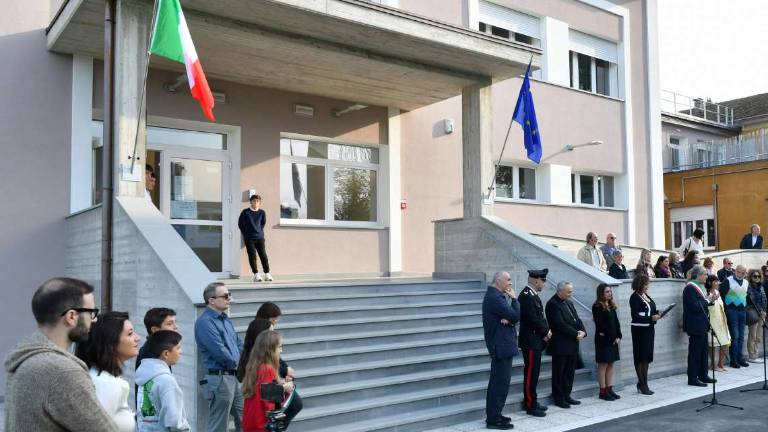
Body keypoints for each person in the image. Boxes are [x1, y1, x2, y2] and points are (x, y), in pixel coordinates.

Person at [4, 277, 118, 432]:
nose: (95, 319)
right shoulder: (61, 370)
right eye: (91, 312)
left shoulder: (25, 356)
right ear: (71, 316)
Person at [75, 311, 140, 432]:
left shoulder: (101, 378)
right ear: (111, 343)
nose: (137, 338)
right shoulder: (105, 383)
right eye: (130, 334)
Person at [195, 282, 244, 432]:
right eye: (225, 296)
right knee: (219, 426)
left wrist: (241, 362)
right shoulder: (204, 323)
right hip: (220, 380)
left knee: (244, 419)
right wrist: (237, 363)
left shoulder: (225, 319)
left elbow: (238, 344)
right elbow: (219, 351)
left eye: (229, 295)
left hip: (233, 377)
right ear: (211, 300)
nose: (229, 298)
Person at [481, 271, 520, 429]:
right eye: (508, 280)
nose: (510, 283)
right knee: (499, 383)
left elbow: (511, 317)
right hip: (500, 346)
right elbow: (515, 316)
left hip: (503, 345)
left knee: (501, 383)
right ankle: (493, 419)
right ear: (498, 281)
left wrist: (509, 319)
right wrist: (515, 300)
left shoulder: (497, 297)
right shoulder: (495, 298)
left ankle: (496, 414)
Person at [135, 330, 191, 431]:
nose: (181, 351)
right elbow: (174, 422)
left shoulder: (144, 376)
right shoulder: (167, 381)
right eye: (178, 348)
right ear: (166, 354)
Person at [242, 331, 295, 432]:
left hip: (250, 420)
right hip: (262, 423)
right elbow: (269, 403)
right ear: (270, 349)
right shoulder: (267, 368)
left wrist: (280, 385)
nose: (281, 350)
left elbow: (261, 391)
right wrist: (284, 388)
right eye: (279, 347)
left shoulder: (255, 365)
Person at [545, 281, 586, 409]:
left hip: (572, 344)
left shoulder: (569, 302)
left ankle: (567, 395)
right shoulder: (552, 304)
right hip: (560, 345)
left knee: (569, 372)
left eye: (571, 291)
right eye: (568, 292)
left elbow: (577, 319)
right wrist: (575, 333)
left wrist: (583, 331)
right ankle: (559, 398)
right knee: (559, 373)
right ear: (560, 291)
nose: (571, 294)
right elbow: (559, 324)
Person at [517, 269, 551, 417]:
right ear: (536, 280)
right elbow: (532, 319)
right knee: (531, 374)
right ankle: (530, 404)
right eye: (543, 281)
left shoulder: (532, 295)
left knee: (534, 373)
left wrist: (544, 332)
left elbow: (539, 317)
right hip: (530, 341)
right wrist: (546, 332)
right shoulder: (526, 296)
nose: (544, 284)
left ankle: (532, 400)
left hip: (535, 340)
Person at [683, 266, 720, 386]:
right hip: (695, 325)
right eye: (704, 274)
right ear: (698, 275)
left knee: (703, 351)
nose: (706, 276)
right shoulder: (690, 288)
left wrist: (711, 300)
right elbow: (694, 306)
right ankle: (692, 378)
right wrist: (707, 300)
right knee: (695, 353)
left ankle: (703, 375)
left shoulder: (699, 287)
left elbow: (703, 304)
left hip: (702, 324)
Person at [629, 274, 663, 395]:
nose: (647, 286)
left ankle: (643, 382)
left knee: (647, 357)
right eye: (646, 283)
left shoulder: (645, 295)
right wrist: (651, 317)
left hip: (648, 329)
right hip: (639, 331)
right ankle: (642, 384)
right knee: (640, 357)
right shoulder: (634, 297)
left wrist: (658, 312)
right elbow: (636, 315)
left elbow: (650, 309)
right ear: (640, 284)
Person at [592, 284, 622, 401]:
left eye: (610, 291)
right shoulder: (597, 306)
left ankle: (609, 389)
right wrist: (612, 337)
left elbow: (616, 322)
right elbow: (601, 325)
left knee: (611, 364)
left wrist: (619, 335)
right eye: (607, 292)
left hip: (613, 340)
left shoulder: (611, 305)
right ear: (601, 293)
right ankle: (602, 391)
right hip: (603, 340)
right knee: (603, 365)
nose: (609, 293)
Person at [239, 194, 273, 282]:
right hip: (249, 238)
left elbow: (263, 223)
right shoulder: (245, 212)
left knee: (263, 255)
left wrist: (259, 231)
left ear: (259, 203)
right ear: (251, 202)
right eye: (254, 201)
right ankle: (256, 274)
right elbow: (240, 224)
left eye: (257, 201)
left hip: (260, 237)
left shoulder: (262, 212)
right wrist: (246, 233)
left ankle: (267, 274)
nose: (256, 202)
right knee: (252, 256)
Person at [722, 265, 750, 368]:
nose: (742, 275)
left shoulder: (746, 282)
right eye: (740, 272)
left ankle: (740, 358)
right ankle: (733, 360)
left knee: (741, 336)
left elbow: (747, 295)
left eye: (744, 273)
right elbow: (722, 295)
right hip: (732, 311)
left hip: (742, 310)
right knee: (735, 336)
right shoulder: (728, 281)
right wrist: (726, 309)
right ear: (736, 271)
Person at [705, 276, 730, 372]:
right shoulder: (706, 293)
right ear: (710, 282)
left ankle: (721, 364)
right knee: (713, 344)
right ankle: (713, 365)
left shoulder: (718, 293)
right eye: (715, 281)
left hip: (721, 320)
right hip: (712, 320)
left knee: (725, 342)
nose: (718, 283)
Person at [746, 269, 767, 363]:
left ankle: (756, 354)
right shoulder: (748, 287)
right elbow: (752, 300)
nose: (757, 278)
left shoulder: (761, 286)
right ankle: (751, 356)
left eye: (758, 276)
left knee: (759, 336)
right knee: (752, 335)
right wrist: (760, 310)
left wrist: (764, 311)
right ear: (751, 277)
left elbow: (764, 299)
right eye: (755, 276)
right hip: (754, 313)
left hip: (762, 313)